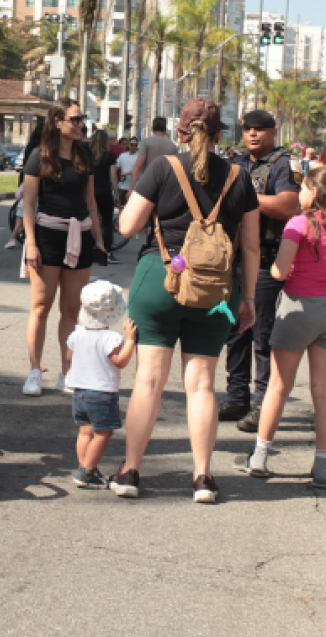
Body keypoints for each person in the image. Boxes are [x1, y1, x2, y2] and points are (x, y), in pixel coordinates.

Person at [112, 98, 260, 504]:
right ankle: (203, 477)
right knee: (201, 386)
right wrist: (247, 297)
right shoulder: (238, 176)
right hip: (215, 291)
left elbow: (128, 225)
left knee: (149, 381)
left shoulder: (164, 168)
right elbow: (250, 247)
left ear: (180, 132)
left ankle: (130, 471)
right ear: (219, 135)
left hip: (160, 278)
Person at [234, 167, 326, 488]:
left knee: (278, 387)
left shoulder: (299, 224)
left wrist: (271, 266)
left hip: (297, 310)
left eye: (303, 188)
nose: (299, 194)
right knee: (324, 392)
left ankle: (259, 458)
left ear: (313, 191)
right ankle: (322, 467)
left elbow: (281, 271)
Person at [219, 110, 301, 433]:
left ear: (272, 131)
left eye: (259, 129)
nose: (253, 134)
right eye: (247, 129)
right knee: (234, 331)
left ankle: (262, 404)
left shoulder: (283, 163)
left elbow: (287, 205)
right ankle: (236, 396)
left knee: (262, 334)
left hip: (266, 258)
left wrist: (245, 196)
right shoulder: (235, 161)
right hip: (234, 257)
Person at [21, 97, 106, 397]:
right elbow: (28, 205)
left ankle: (67, 372)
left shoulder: (85, 154)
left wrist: (99, 239)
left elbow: (91, 202)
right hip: (47, 237)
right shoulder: (39, 156)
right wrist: (30, 244)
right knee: (41, 307)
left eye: (82, 119)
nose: (81, 124)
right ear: (57, 122)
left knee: (71, 308)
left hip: (79, 235)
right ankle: (34, 370)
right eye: (76, 119)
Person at [65, 281, 137, 489]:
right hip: (102, 393)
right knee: (103, 433)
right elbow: (120, 361)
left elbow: (70, 355)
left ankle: (86, 467)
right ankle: (86, 472)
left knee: (85, 432)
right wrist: (130, 341)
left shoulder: (76, 334)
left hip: (79, 392)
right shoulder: (110, 338)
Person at [6, 122, 45, 250]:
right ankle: (17, 236)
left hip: (26, 179)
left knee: (25, 210)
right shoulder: (37, 149)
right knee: (26, 209)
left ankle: (20, 235)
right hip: (31, 181)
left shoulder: (32, 146)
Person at [129, 117, 178, 192]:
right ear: (165, 130)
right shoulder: (172, 146)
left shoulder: (145, 142)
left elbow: (138, 166)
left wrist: (131, 188)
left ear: (152, 129)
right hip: (165, 185)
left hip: (147, 184)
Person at [89, 129, 118, 260]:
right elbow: (113, 177)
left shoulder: (88, 155)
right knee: (107, 222)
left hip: (90, 191)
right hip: (105, 190)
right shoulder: (110, 156)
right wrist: (116, 194)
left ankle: (89, 248)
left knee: (89, 220)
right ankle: (107, 252)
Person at [114, 137, 140, 206]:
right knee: (122, 207)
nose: (133, 147)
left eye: (135, 145)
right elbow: (116, 168)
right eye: (132, 144)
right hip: (122, 186)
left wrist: (125, 173)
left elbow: (139, 170)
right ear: (129, 145)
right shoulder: (122, 155)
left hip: (135, 187)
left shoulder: (139, 157)